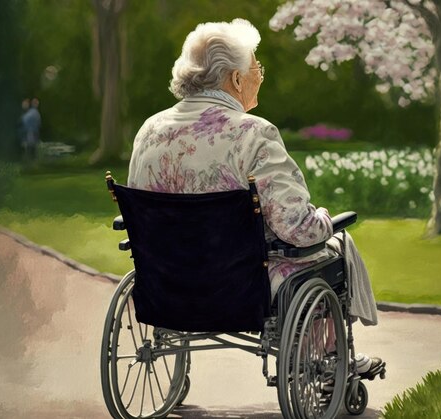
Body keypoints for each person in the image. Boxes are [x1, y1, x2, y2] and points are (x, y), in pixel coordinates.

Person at [127, 19, 383, 378]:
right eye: (257, 67)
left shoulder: (149, 131)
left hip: (167, 280)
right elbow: (296, 228)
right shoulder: (253, 133)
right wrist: (324, 218)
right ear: (235, 78)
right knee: (336, 244)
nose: (260, 75)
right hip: (243, 285)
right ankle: (333, 357)